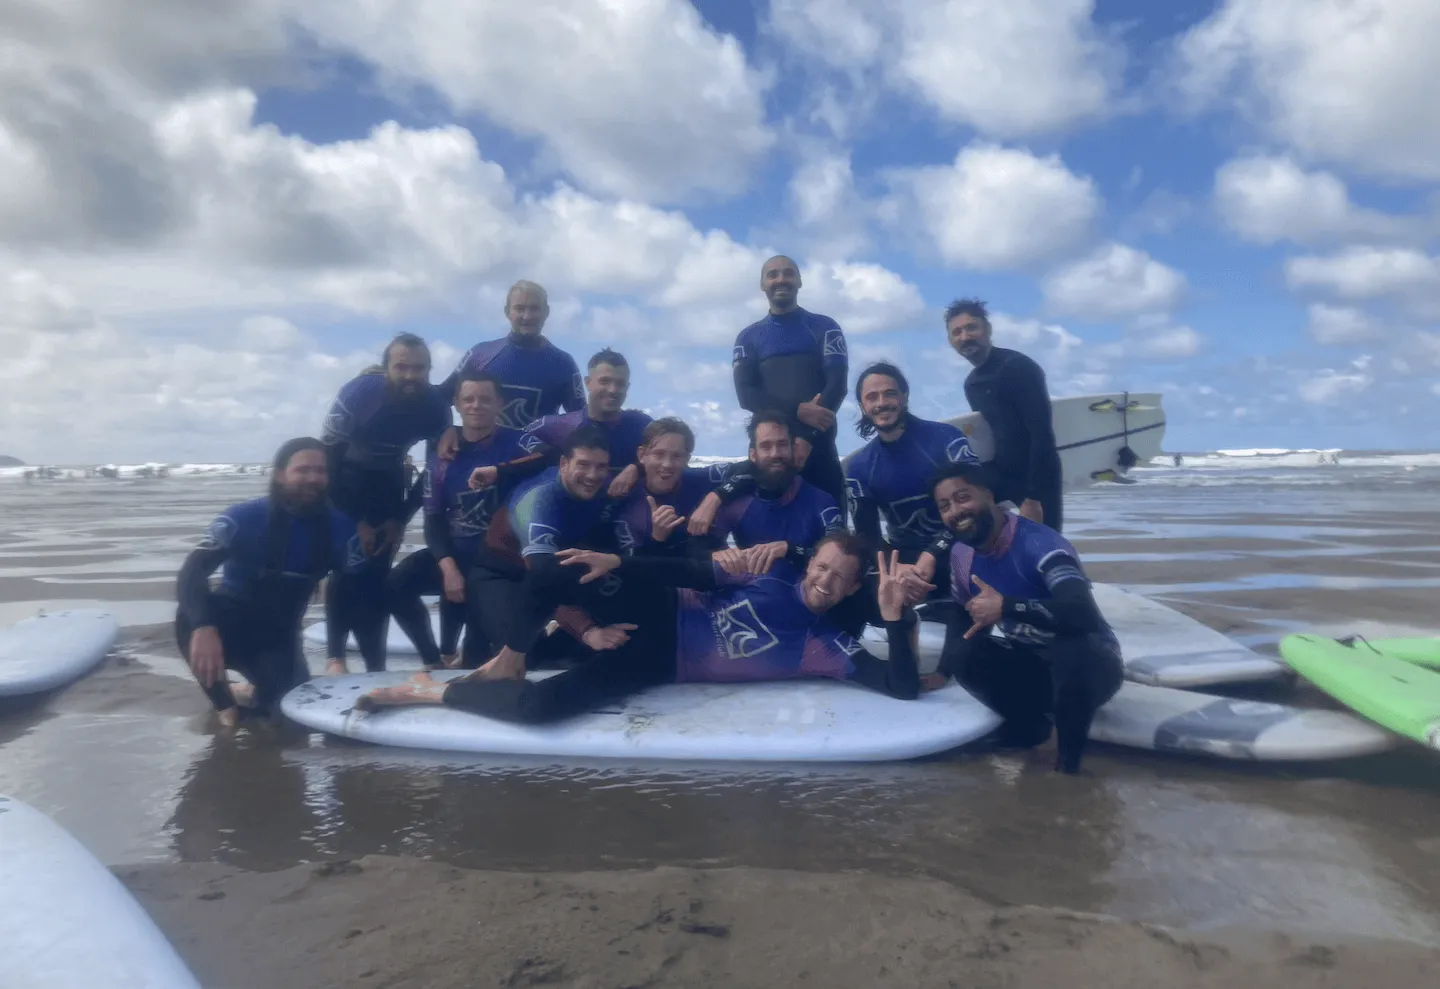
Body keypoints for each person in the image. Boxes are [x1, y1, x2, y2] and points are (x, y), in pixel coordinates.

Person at [354, 535, 920, 721]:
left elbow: (900, 686)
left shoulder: (827, 646)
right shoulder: (771, 573)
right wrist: (619, 563)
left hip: (661, 661)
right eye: (821, 566)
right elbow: (693, 570)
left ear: (850, 590)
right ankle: (513, 654)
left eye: (839, 577)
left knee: (537, 712)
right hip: (665, 607)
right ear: (810, 564)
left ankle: (429, 692)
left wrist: (894, 619)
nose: (824, 579)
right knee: (557, 568)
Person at [908, 462, 1122, 774]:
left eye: (963, 497)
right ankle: (1032, 730)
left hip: (1093, 669)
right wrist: (943, 671)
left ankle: (1068, 767)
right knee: (967, 655)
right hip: (1033, 668)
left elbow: (1082, 614)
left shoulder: (1041, 544)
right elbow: (960, 615)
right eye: (945, 506)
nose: (956, 510)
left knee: (1073, 648)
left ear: (988, 496)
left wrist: (1008, 607)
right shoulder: (961, 554)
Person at [174, 438, 359, 727]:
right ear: (279, 475)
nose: (313, 478)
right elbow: (192, 572)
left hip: (278, 638)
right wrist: (203, 626)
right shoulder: (243, 518)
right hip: (229, 625)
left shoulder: (341, 528)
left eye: (320, 471)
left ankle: (253, 690)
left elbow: (348, 594)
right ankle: (225, 706)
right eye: (303, 469)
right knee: (189, 614)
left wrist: (336, 657)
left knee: (289, 722)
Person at [321, 333, 451, 674]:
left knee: (377, 575)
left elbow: (434, 474)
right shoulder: (359, 394)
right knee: (347, 567)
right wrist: (355, 520)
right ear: (386, 367)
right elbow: (327, 461)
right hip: (345, 480)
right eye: (402, 367)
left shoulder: (436, 406)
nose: (411, 375)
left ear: (429, 370)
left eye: (419, 368)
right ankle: (335, 656)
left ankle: (374, 663)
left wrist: (400, 518)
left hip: (389, 482)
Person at [386, 371, 527, 670]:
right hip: (455, 553)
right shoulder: (444, 454)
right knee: (396, 585)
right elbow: (433, 519)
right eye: (469, 399)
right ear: (457, 404)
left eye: (486, 399)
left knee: (477, 661)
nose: (477, 405)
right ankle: (434, 659)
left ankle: (469, 654)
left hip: (497, 564)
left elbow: (557, 458)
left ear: (500, 403)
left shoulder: (519, 444)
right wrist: (448, 568)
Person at [464, 426, 627, 666]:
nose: (593, 475)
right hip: (502, 574)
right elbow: (544, 579)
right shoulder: (537, 502)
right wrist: (587, 630)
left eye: (601, 466)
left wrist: (636, 469)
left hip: (558, 561)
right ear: (563, 464)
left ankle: (558, 632)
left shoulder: (607, 486)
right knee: (524, 654)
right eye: (583, 465)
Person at [845, 361, 979, 590]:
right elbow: (869, 538)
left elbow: (978, 504)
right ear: (862, 406)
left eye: (889, 394)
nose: (881, 403)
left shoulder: (946, 439)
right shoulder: (859, 468)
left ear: (904, 397)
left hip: (964, 552)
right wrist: (896, 567)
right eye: (872, 397)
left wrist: (932, 554)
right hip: (907, 568)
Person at [732, 255, 849, 517]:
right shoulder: (749, 337)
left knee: (833, 541)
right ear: (763, 284)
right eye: (772, 274)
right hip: (771, 453)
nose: (780, 279)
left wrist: (806, 438)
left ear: (799, 281)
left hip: (818, 451)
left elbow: (837, 386)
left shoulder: (824, 326)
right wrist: (797, 410)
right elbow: (746, 395)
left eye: (788, 273)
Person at [946, 298, 1065, 532]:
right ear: (950, 340)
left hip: (1036, 480)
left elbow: (1042, 437)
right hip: (1002, 480)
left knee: (1044, 553)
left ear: (987, 330)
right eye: (956, 332)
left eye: (972, 327)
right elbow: (990, 440)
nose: (965, 336)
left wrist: (1033, 498)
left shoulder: (1018, 368)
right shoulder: (972, 384)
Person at [704, 411, 845, 576]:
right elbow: (700, 549)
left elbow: (841, 559)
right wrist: (718, 555)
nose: (775, 454)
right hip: (754, 593)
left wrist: (788, 549)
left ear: (794, 448)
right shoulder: (737, 502)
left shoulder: (821, 501)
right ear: (753, 455)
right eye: (766, 446)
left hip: (809, 595)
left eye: (782, 444)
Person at [440, 280, 584, 430]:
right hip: (483, 452)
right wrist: (446, 431)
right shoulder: (479, 354)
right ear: (507, 312)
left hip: (539, 453)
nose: (527, 316)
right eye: (520, 308)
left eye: (534, 309)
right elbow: (442, 397)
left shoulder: (563, 364)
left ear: (546, 312)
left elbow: (580, 419)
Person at [514, 348, 653, 486]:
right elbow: (516, 437)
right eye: (605, 381)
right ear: (587, 382)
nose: (613, 390)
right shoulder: (560, 425)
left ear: (627, 387)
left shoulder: (641, 425)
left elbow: (672, 449)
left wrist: (637, 468)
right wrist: (547, 453)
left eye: (620, 384)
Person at [612, 417, 739, 558]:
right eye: (659, 454)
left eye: (677, 456)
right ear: (642, 455)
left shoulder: (698, 479)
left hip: (714, 571)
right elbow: (630, 568)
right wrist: (657, 538)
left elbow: (749, 469)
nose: (667, 464)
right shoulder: (626, 505)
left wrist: (716, 497)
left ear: (687, 459)